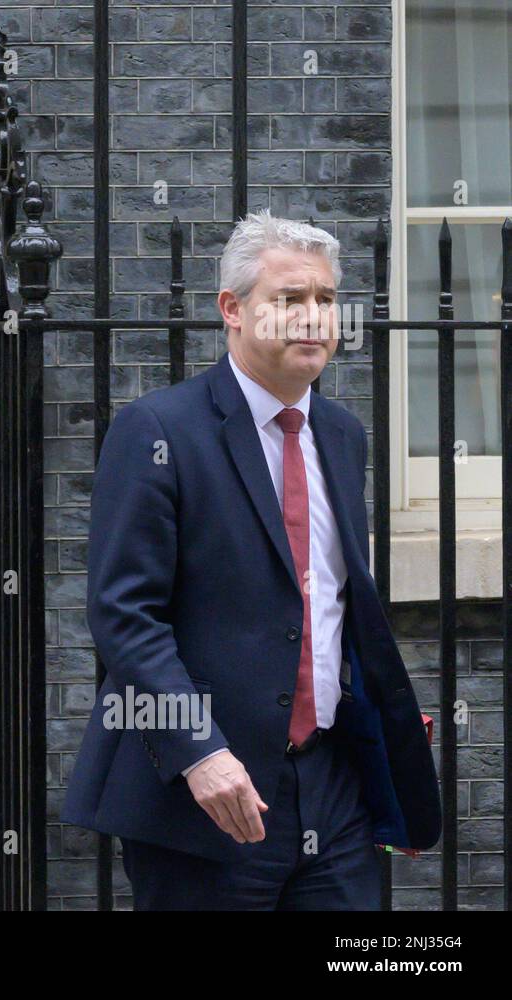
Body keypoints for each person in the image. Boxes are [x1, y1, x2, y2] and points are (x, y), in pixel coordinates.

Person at [60, 210, 441, 910]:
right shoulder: (159, 430)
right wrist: (198, 751)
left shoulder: (342, 434)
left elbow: (333, 607)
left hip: (331, 792)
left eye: (325, 300)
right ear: (232, 311)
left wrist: (384, 738)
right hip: (205, 799)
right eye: (289, 300)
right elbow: (124, 617)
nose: (312, 317)